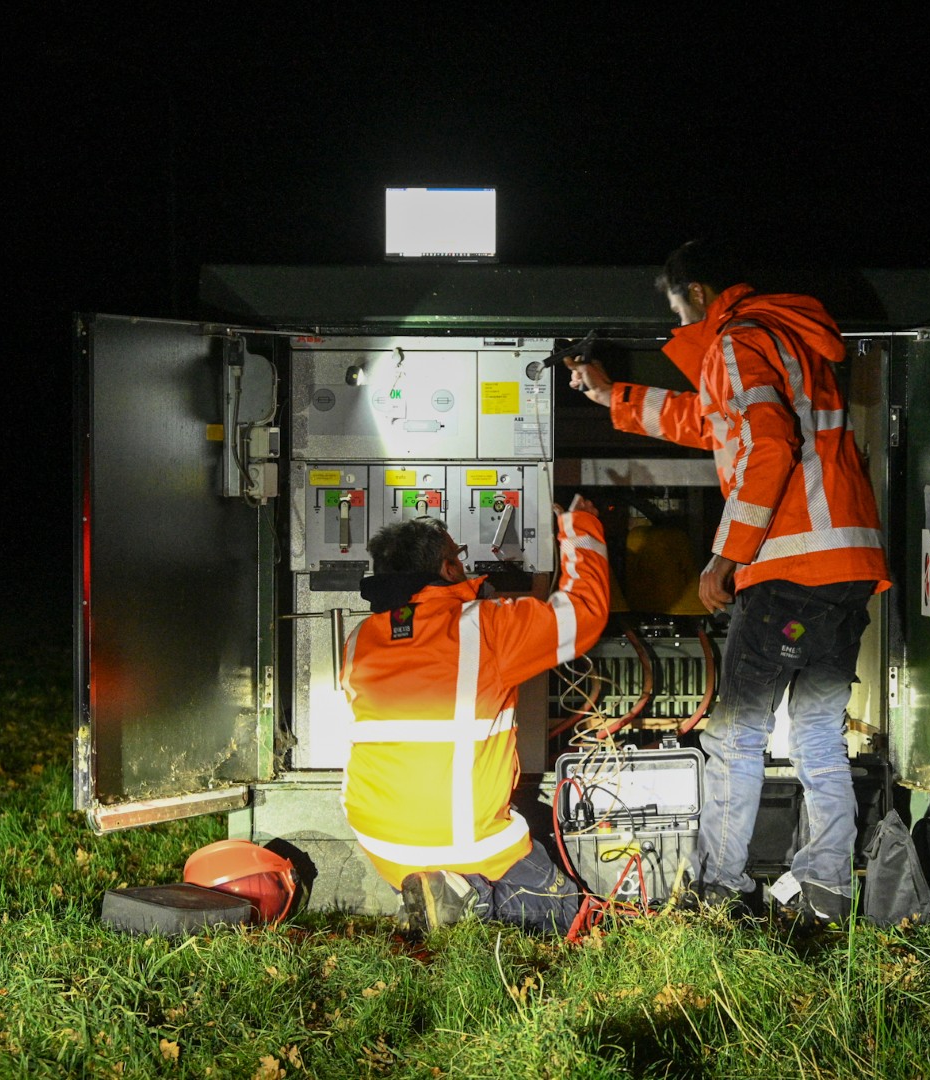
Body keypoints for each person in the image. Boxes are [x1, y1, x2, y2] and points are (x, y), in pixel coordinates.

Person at [564, 240, 889, 925]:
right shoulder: (788, 339)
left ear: (699, 293)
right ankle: (827, 890)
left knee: (737, 735)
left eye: (676, 305)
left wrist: (724, 557)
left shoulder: (738, 340)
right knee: (818, 735)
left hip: (789, 573)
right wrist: (612, 395)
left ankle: (718, 890)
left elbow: (765, 446)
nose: (676, 320)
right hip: (845, 571)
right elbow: (712, 423)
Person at [340, 496, 610, 934]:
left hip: (383, 842)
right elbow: (584, 615)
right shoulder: (484, 627)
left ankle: (441, 893)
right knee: (566, 911)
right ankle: (468, 899)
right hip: (461, 840)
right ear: (448, 569)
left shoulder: (359, 637)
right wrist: (580, 528)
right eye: (460, 557)